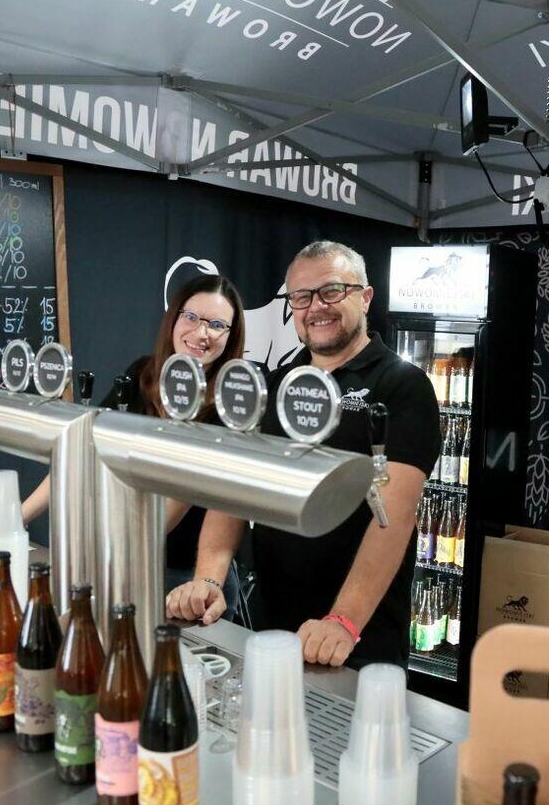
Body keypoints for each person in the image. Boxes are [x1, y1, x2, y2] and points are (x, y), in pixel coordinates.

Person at [166, 241, 440, 669]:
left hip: (355, 640)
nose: (316, 307)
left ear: (365, 297)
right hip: (271, 627)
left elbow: (394, 512)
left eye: (332, 291)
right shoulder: (276, 385)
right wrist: (209, 580)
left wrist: (344, 621)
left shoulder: (403, 386)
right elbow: (234, 493)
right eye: (301, 296)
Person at [21, 274, 246, 599]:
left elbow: (174, 503)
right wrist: (20, 514)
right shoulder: (143, 374)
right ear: (174, 318)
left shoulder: (229, 404)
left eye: (217, 325)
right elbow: (84, 447)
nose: (201, 333)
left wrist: (102, 558)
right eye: (191, 317)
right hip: (121, 558)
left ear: (231, 336)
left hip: (184, 579)